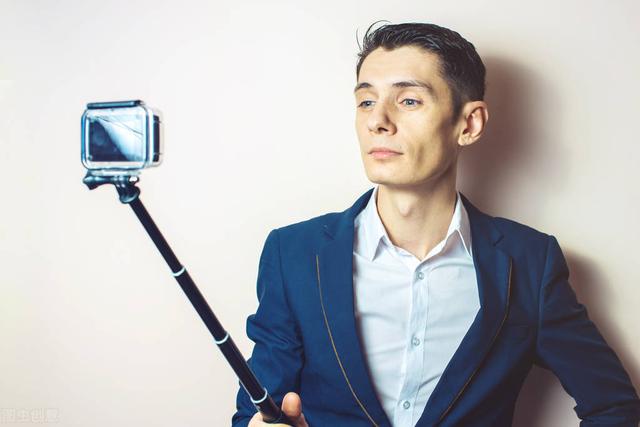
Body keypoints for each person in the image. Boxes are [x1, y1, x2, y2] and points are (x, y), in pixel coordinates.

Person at [231, 22, 640, 427]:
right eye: (366, 102)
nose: (378, 121)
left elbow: (614, 408)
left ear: (469, 124)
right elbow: (255, 410)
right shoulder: (294, 253)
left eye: (409, 101)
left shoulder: (529, 262)